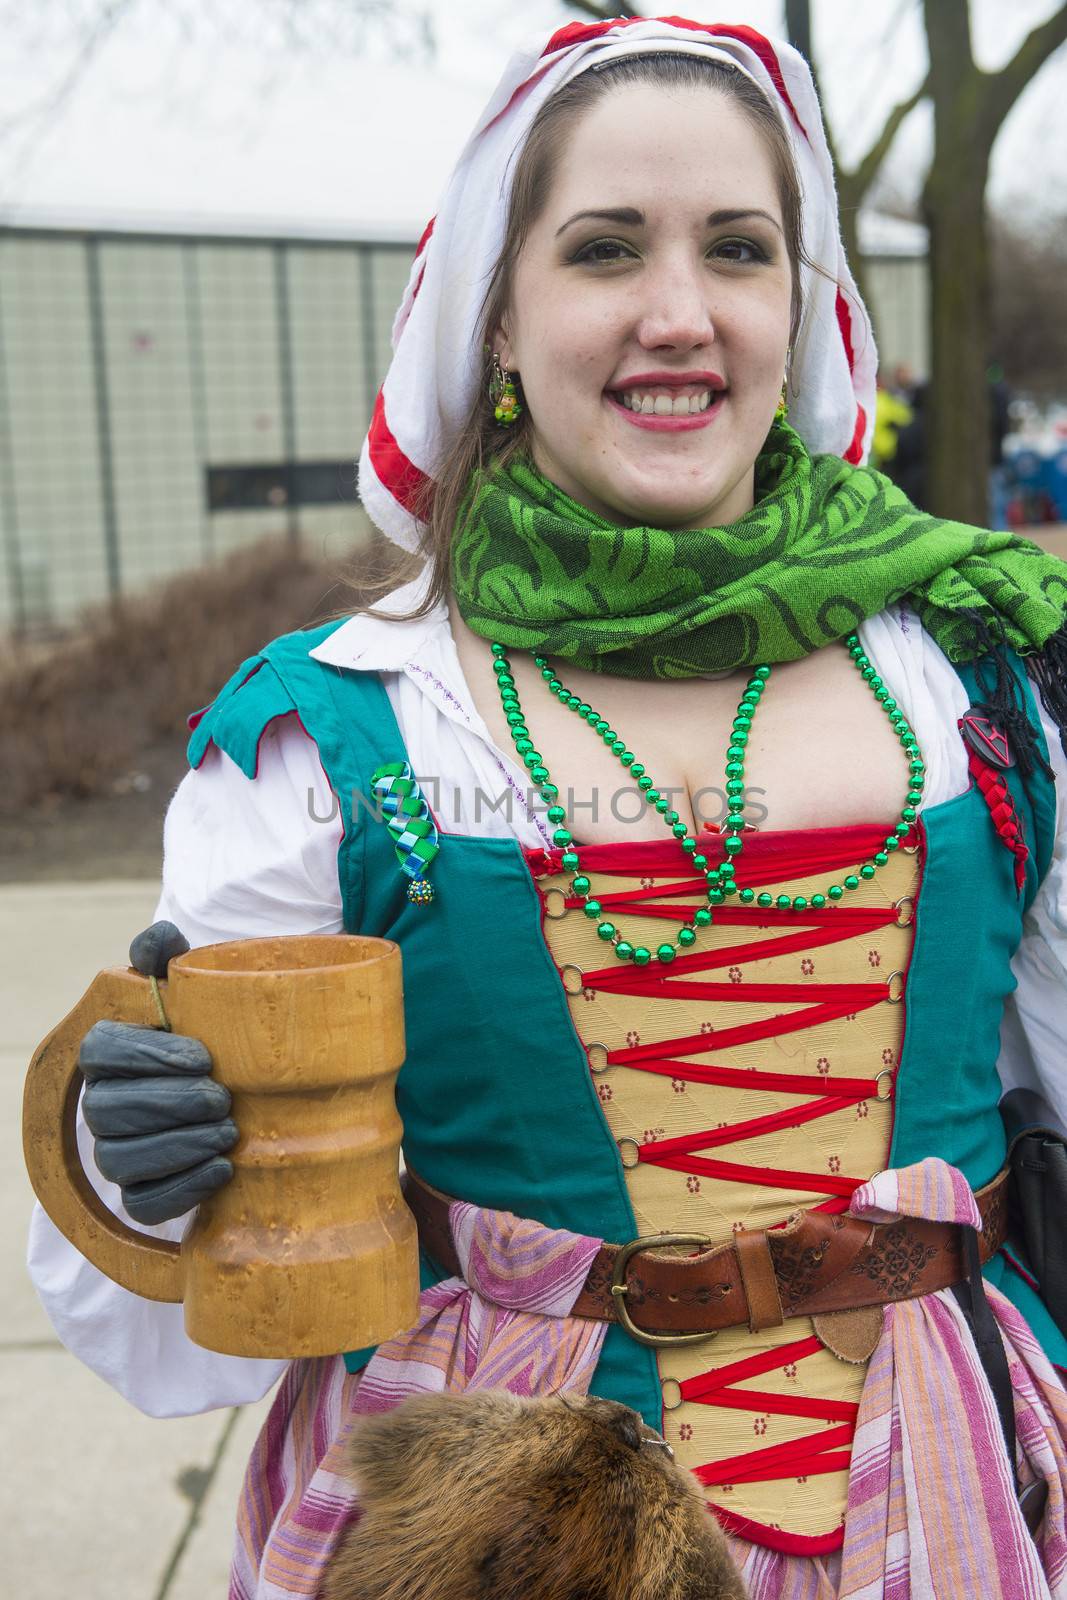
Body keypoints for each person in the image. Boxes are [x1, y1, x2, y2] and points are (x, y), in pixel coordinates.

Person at [28, 17, 1067, 1599]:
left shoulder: (983, 684)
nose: (679, 314)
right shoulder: (340, 732)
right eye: (603, 250)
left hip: (954, 1513)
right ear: (496, 318)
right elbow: (191, 1323)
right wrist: (149, 1158)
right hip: (489, 1534)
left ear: (803, 304)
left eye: (738, 248)